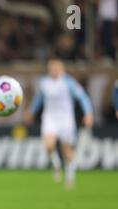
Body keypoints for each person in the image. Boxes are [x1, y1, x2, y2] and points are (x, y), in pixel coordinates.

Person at [25, 59, 93, 189]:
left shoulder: (69, 82)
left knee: (67, 151)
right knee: (49, 145)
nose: (54, 71)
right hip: (50, 118)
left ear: (62, 70)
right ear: (49, 70)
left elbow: (83, 97)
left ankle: (70, 177)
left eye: (57, 69)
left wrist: (88, 113)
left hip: (66, 119)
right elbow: (38, 99)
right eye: (52, 69)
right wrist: (31, 112)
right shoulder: (44, 82)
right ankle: (56, 165)